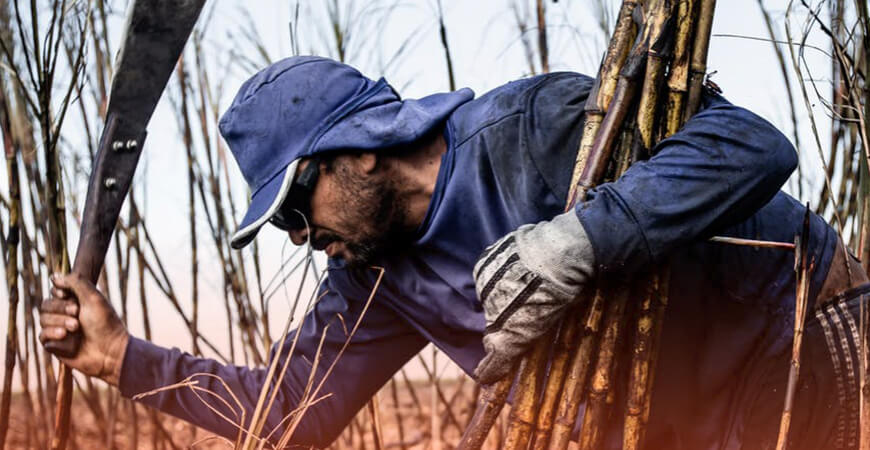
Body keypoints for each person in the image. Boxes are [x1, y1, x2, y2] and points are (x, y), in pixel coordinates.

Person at [39, 56, 868, 449]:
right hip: (686, 426)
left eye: (295, 203)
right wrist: (119, 358)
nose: (299, 237)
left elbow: (750, 145)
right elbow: (291, 413)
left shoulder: (531, 130)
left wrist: (581, 238)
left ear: (359, 148)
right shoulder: (369, 278)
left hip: (805, 345)